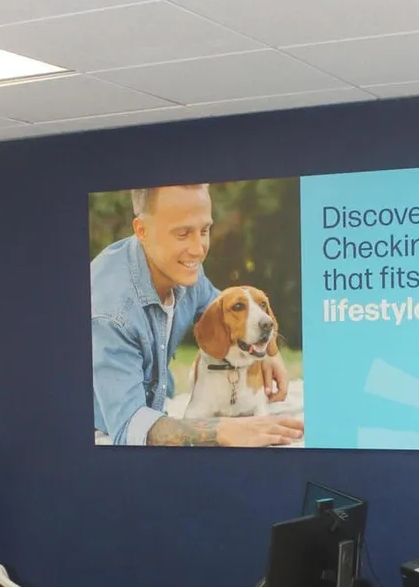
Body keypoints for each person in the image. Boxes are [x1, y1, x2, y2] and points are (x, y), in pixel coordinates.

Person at [91, 184, 304, 447]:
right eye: (182, 233)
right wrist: (221, 431)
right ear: (142, 230)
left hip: (159, 413)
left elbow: (219, 308)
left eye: (204, 230)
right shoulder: (111, 313)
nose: (198, 249)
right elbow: (130, 427)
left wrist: (269, 351)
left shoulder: (181, 267)